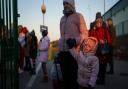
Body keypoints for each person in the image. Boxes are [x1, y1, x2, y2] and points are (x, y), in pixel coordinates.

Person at [58, 0, 88, 89]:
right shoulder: (62, 18)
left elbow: (85, 34)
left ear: (72, 4)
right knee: (65, 80)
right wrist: (58, 51)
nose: (65, 5)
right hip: (63, 54)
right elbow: (61, 36)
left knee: (73, 81)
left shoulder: (78, 16)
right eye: (63, 4)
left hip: (74, 53)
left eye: (67, 3)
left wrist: (75, 41)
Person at [89, 13, 111, 85]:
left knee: (103, 66)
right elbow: (90, 37)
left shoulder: (105, 28)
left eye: (100, 20)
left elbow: (108, 39)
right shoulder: (93, 28)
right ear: (96, 21)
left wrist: (104, 41)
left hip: (103, 50)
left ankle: (102, 80)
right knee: (97, 65)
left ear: (101, 20)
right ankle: (98, 78)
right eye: (97, 21)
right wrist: (93, 29)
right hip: (96, 50)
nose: (99, 22)